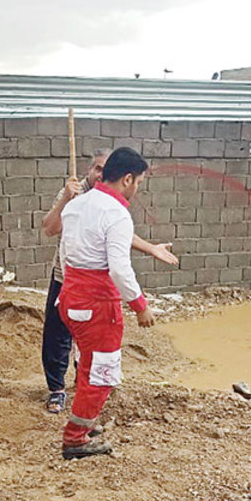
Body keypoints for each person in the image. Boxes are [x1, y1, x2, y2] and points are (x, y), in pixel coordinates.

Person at [41, 150, 177, 413]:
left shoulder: (99, 206)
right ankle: (68, 408)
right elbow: (51, 229)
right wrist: (140, 305)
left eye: (105, 169)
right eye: (97, 169)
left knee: (88, 354)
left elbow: (110, 237)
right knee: (79, 351)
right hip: (81, 287)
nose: (101, 174)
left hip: (73, 288)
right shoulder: (76, 197)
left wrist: (150, 248)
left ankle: (82, 402)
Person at [56, 147, 158, 459]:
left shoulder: (76, 206)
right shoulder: (116, 213)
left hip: (70, 297)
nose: (137, 188)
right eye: (138, 181)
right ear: (127, 179)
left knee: (88, 364)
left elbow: (64, 254)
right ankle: (75, 440)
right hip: (97, 303)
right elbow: (118, 268)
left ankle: (84, 423)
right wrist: (140, 305)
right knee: (101, 372)